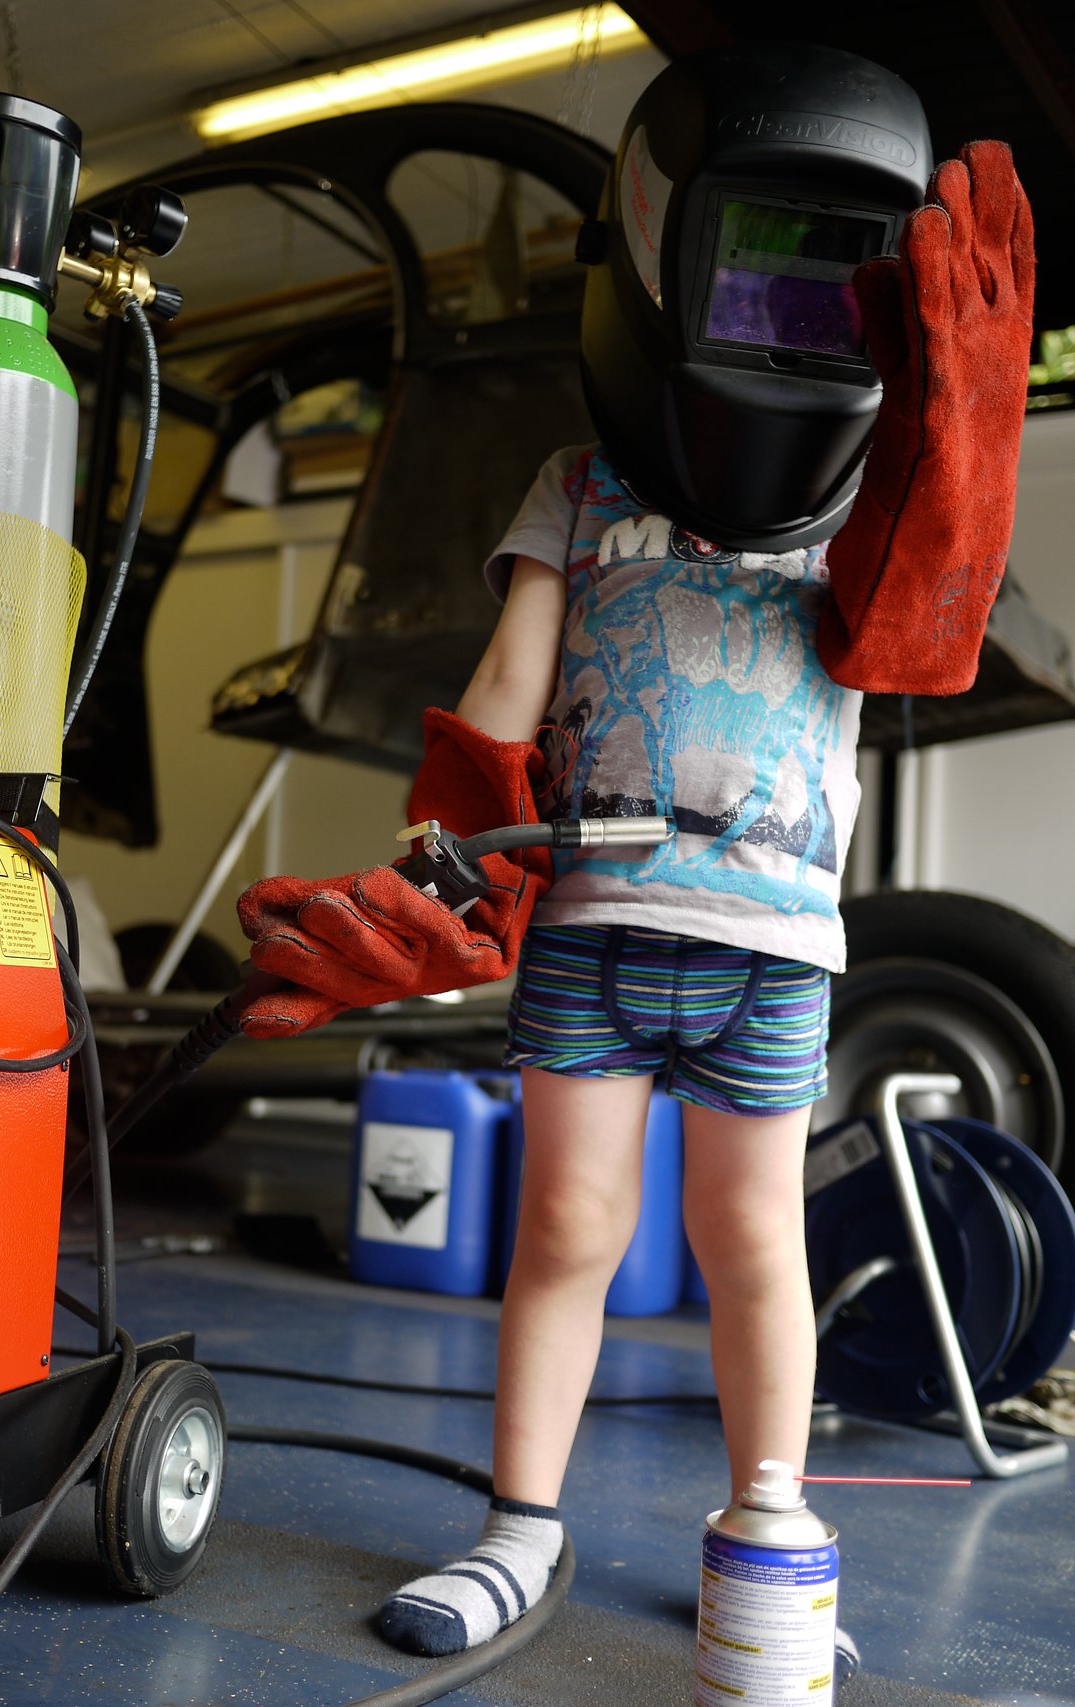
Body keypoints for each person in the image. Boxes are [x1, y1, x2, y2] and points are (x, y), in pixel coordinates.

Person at [234, 43, 1034, 1665]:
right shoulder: (579, 487)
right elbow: (504, 700)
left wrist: (955, 465)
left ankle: (769, 1514)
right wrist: (441, 862)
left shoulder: (874, 507)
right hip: (595, 924)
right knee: (567, 1234)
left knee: (753, 1247)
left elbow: (916, 639)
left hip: (770, 949)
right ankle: (521, 1528)